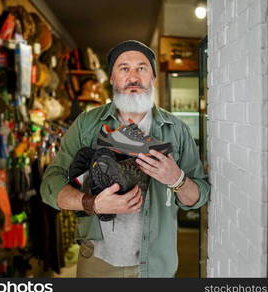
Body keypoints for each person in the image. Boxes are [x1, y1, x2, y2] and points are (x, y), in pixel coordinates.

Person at [40, 40, 210, 278]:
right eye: (124, 68)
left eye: (142, 68)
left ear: (153, 77)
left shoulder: (176, 129)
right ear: (111, 78)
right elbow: (50, 184)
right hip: (98, 261)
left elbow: (199, 196)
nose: (133, 76)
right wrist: (92, 203)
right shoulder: (87, 124)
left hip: (156, 264)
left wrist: (177, 179)